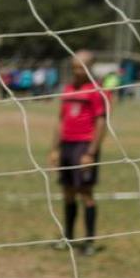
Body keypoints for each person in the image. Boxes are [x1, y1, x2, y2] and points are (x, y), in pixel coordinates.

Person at [52, 51, 107, 255]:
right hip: (67, 144)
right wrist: (55, 148)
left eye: (80, 67)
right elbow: (61, 120)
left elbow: (101, 122)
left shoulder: (95, 90)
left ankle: (90, 241)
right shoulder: (67, 88)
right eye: (74, 67)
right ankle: (68, 237)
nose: (76, 71)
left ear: (90, 68)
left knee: (85, 193)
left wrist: (91, 152)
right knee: (67, 192)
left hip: (84, 146)